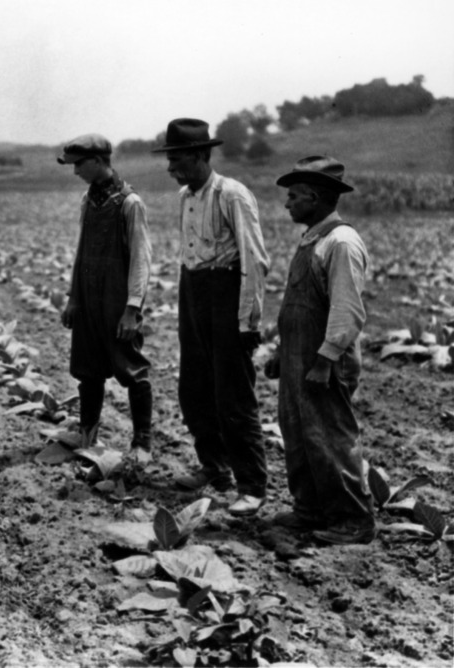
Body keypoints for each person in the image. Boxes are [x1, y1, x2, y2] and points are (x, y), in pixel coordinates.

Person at [153, 118, 269, 517]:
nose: (171, 169)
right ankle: (215, 470)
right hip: (193, 292)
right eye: (169, 160)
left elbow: (254, 260)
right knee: (194, 389)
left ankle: (252, 485)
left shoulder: (232, 195)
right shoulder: (186, 196)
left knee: (234, 395)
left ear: (202, 156)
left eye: (178, 159)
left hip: (225, 294)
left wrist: (248, 321)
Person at [266, 156, 375, 545]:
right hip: (300, 356)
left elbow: (347, 309)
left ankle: (353, 520)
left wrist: (325, 359)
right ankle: (310, 508)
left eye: (294, 196)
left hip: (324, 360)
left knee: (330, 436)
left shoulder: (341, 243)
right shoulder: (314, 238)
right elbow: (298, 304)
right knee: (298, 433)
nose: (287, 203)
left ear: (313, 197)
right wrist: (283, 351)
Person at [57, 134, 153, 460]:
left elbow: (141, 259)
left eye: (79, 165)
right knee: (88, 369)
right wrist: (73, 297)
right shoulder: (89, 200)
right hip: (87, 298)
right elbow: (82, 251)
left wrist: (132, 308)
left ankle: (142, 442)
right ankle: (88, 435)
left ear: (98, 162)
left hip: (117, 300)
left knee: (131, 369)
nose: (75, 172)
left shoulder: (130, 203)